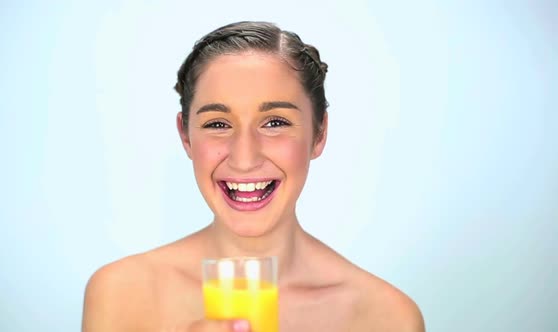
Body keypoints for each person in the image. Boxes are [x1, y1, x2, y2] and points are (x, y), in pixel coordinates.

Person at [82, 21, 425, 332]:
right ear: (186, 137)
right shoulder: (119, 294)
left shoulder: (388, 318)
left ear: (319, 134)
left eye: (275, 123)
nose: (245, 159)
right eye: (218, 124)